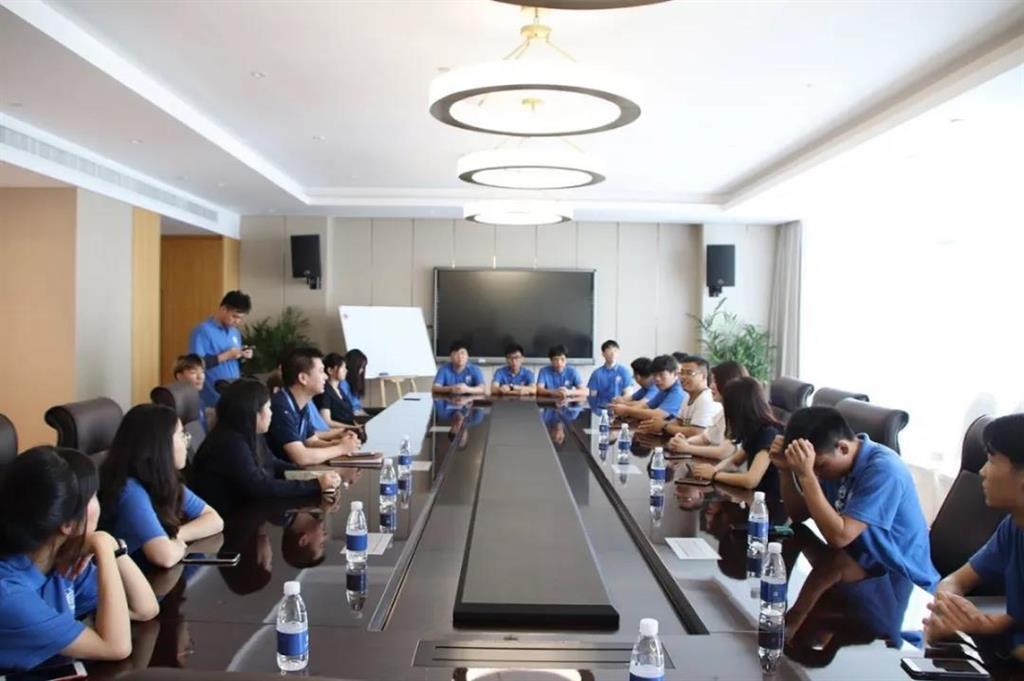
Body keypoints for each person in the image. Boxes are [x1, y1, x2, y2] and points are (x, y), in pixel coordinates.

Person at [0, 446, 159, 670]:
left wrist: (111, 545)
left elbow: (145, 608)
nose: (98, 502)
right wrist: (103, 548)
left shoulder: (60, 560)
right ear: (67, 524)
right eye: (93, 497)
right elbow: (115, 647)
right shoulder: (9, 593)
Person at [772, 406, 939, 590]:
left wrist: (807, 476)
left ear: (843, 448)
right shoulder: (834, 467)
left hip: (904, 583)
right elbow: (799, 514)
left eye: (819, 466)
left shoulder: (885, 470)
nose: (817, 474)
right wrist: (785, 470)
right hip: (858, 569)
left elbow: (839, 537)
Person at [925, 414, 1024, 661]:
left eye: (991, 460)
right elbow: (956, 580)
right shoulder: (1013, 527)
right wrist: (950, 609)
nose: (981, 471)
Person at [99, 405, 223, 569]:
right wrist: (173, 544)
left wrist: (175, 537)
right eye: (181, 435)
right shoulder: (130, 490)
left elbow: (215, 519)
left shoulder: (161, 480)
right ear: (161, 444)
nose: (187, 441)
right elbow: (164, 557)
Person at [190, 379, 342, 513]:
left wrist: (313, 475)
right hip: (230, 520)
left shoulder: (248, 433)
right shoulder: (230, 443)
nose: (271, 413)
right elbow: (260, 487)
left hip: (248, 509)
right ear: (254, 412)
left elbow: (273, 463)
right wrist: (315, 485)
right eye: (268, 408)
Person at [265, 348, 361, 466]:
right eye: (321, 371)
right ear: (303, 378)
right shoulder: (281, 406)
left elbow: (311, 441)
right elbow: (301, 457)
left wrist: (340, 444)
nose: (325, 376)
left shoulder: (301, 404)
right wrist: (341, 448)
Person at [689, 377, 784, 496]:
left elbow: (751, 480)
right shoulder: (755, 429)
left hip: (768, 501)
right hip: (755, 497)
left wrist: (714, 475)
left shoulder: (768, 433)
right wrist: (715, 469)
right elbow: (735, 461)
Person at [188, 291, 254, 410]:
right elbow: (195, 365)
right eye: (235, 316)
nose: (237, 321)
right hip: (211, 399)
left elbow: (234, 362)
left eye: (240, 318)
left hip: (232, 396)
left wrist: (242, 355)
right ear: (223, 309)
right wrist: (227, 355)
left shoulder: (235, 332)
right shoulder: (202, 331)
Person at [669, 361, 748, 459]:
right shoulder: (723, 412)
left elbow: (723, 453)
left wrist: (687, 448)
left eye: (716, 382)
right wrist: (683, 442)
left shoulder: (740, 414)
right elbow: (705, 438)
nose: (711, 386)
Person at [642, 355, 720, 437]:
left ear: (703, 376)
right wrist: (657, 424)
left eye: (689, 373)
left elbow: (697, 432)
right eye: (681, 373)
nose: (683, 377)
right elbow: (679, 422)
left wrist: (664, 426)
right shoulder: (688, 396)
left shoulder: (706, 399)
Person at [609, 354, 683, 420]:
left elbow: (658, 414)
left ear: (675, 374)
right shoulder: (664, 390)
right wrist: (624, 410)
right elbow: (645, 406)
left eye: (661, 375)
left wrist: (626, 410)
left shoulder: (677, 391)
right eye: (655, 375)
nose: (657, 379)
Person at [314, 352, 359, 428]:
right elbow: (326, 421)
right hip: (338, 431)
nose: (346, 371)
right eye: (342, 368)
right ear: (330, 370)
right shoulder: (325, 391)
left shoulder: (340, 390)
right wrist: (351, 427)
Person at [587, 340, 633, 406]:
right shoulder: (597, 373)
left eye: (615, 351)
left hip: (620, 408)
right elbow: (592, 395)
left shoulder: (624, 372)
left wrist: (620, 402)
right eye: (609, 351)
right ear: (603, 354)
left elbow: (629, 394)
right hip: (600, 408)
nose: (613, 354)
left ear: (618, 353)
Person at [172, 354, 211, 432]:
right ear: (180, 376)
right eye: (193, 372)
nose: (200, 377)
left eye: (202, 372)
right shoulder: (174, 404)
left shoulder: (200, 401)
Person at [344, 349, 369, 416]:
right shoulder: (343, 384)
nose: (362, 370)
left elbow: (358, 407)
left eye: (363, 367)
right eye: (360, 367)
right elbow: (349, 409)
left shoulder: (355, 383)